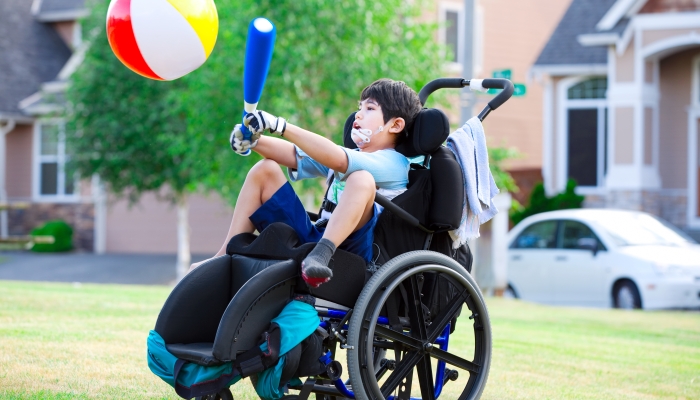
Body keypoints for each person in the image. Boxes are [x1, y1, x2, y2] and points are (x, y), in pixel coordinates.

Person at [189, 78, 423, 287]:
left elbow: (338, 159)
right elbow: (295, 154)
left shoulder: (395, 164)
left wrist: (280, 126)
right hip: (317, 234)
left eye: (369, 108)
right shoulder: (346, 156)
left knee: (362, 179)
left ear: (395, 125)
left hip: (354, 251)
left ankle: (322, 253)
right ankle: (222, 258)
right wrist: (252, 141)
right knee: (265, 169)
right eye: (359, 107)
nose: (357, 115)